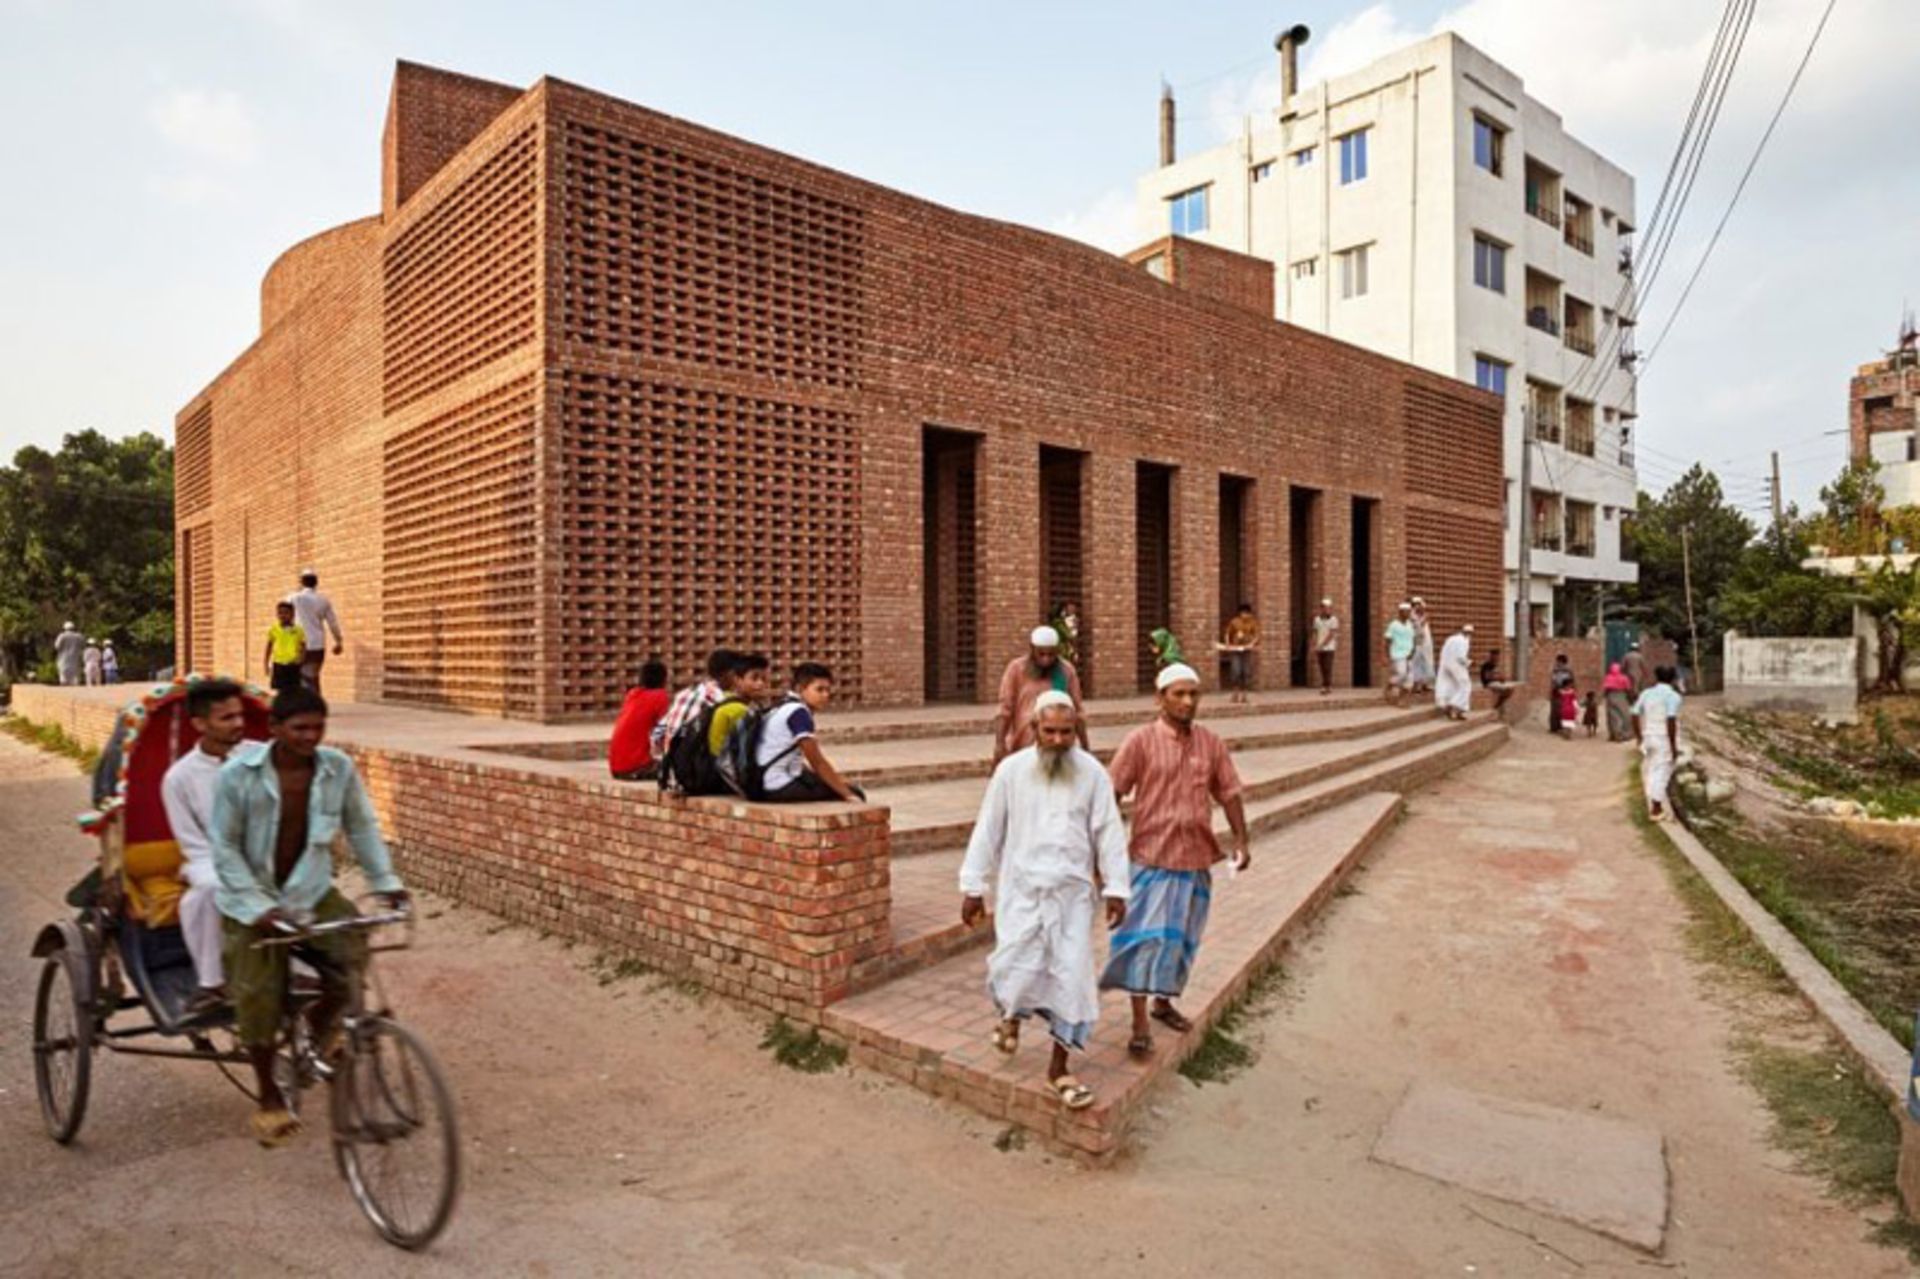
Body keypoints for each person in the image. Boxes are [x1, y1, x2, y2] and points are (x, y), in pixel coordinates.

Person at [212, 686, 408, 1147]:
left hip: (310, 891)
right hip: (252, 901)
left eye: (318, 727)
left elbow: (361, 826)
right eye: (299, 728)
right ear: (275, 729)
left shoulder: (336, 769)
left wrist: (387, 884)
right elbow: (223, 848)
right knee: (259, 996)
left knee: (352, 955)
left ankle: (319, 1038)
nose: (310, 737)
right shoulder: (239, 775)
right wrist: (260, 908)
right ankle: (268, 1098)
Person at [959, 692, 1130, 1111]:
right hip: (1021, 891)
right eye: (1049, 731)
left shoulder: (1092, 773)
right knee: (1015, 964)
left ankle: (1059, 1068)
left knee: (1071, 977)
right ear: (1033, 729)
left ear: (1077, 732)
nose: (1057, 740)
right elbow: (989, 829)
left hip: (1071, 898)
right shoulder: (1011, 771)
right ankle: (1011, 1017)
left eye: (1066, 733)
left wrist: (1117, 887)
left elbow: (1108, 831)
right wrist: (973, 885)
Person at [1100, 663, 1250, 1058]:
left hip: (1196, 861)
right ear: (1160, 698)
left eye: (1193, 694)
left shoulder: (1210, 743)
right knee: (1143, 943)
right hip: (1151, 860)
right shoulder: (1140, 741)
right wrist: (1106, 854)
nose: (1187, 701)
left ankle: (1163, 1003)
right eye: (1178, 693)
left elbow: (1229, 792)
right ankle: (1138, 1023)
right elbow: (1109, 797)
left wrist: (1241, 839)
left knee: (1181, 943)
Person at [160, 679, 251, 1018]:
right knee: (210, 890)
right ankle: (211, 983)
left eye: (239, 716)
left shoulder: (261, 756)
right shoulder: (179, 778)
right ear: (199, 724)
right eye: (226, 718)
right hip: (208, 859)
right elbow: (192, 844)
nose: (238, 724)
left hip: (263, 853)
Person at [758, 662, 865, 802]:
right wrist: (847, 794)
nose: (825, 695)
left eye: (828, 690)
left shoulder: (782, 705)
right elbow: (817, 761)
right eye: (819, 690)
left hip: (762, 781)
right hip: (777, 785)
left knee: (833, 783)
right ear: (800, 688)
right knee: (855, 792)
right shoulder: (799, 713)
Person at [993, 626, 1089, 764]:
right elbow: (1004, 710)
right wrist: (999, 744)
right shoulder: (1016, 669)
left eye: (1051, 654)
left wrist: (1085, 747)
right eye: (1041, 654)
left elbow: (1077, 711)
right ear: (1032, 649)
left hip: (1058, 747)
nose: (1046, 659)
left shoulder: (1065, 671)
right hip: (1023, 746)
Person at [655, 649, 735, 760]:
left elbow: (657, 733)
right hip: (699, 771)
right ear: (730, 674)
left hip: (672, 769)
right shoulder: (722, 699)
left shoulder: (684, 694)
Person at [1632, 666, 1684, 822]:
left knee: (1652, 769)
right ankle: (1656, 809)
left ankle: (1654, 803)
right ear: (1674, 679)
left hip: (1649, 736)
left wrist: (1639, 737)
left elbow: (1634, 713)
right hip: (1663, 738)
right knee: (1662, 772)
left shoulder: (1646, 693)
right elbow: (1671, 720)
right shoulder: (1673, 696)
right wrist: (1673, 746)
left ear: (1656, 677)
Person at [608, 659, 671, 781]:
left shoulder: (632, 694)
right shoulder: (660, 696)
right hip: (635, 767)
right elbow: (664, 732)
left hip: (616, 767)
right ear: (663, 679)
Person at [288, 569, 345, 694]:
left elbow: (285, 617)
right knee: (313, 675)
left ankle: (302, 705)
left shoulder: (294, 598)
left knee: (298, 675)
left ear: (302, 582)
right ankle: (315, 705)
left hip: (298, 643)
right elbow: (333, 623)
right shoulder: (323, 600)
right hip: (317, 643)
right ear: (316, 583)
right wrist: (338, 641)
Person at [707, 651, 770, 758]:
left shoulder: (723, 699)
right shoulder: (739, 710)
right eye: (754, 678)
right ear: (737, 680)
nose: (760, 684)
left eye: (764, 679)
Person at [262, 601, 306, 694]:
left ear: (292, 614)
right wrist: (266, 664)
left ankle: (293, 707)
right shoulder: (274, 629)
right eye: (280, 613)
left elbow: (303, 646)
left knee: (294, 690)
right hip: (279, 664)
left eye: (286, 612)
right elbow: (269, 647)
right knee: (280, 690)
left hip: (293, 664)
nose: (282, 615)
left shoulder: (298, 630)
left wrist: (301, 659)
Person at [1219, 603, 1260, 704]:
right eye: (1244, 613)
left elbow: (1256, 635)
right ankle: (1235, 694)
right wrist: (1228, 643)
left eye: (1247, 614)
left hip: (1246, 649)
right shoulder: (1235, 622)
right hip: (1236, 649)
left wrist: (1251, 643)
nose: (1246, 616)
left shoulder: (1253, 623)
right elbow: (1228, 633)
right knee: (1236, 671)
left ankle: (1244, 695)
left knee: (1246, 672)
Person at [1435, 623, 1475, 721]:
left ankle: (1457, 712)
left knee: (1453, 686)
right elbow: (1460, 657)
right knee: (1466, 686)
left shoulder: (1451, 638)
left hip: (1446, 666)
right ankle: (1454, 706)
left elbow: (1443, 652)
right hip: (1457, 666)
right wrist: (1470, 663)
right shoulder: (1463, 641)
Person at [1383, 603, 1416, 704]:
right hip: (1398, 654)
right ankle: (1390, 684)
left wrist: (1413, 650)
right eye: (1406, 611)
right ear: (1400, 612)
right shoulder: (1393, 625)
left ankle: (1402, 699)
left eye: (1409, 611)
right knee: (1401, 674)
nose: (1408, 614)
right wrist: (1386, 655)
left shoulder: (1410, 625)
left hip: (1409, 654)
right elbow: (1387, 640)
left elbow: (1413, 639)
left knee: (1410, 679)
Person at [1310, 599, 1339, 695]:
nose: (1326, 610)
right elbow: (1315, 632)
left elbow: (1332, 634)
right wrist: (1314, 644)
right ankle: (1325, 685)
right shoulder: (1317, 620)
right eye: (1324, 608)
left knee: (1327, 666)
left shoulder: (1333, 619)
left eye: (1328, 608)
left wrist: (1322, 644)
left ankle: (1327, 686)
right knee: (1322, 666)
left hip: (1329, 647)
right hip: (1319, 647)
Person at [1408, 597, 1436, 692]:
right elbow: (1416, 628)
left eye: (1420, 605)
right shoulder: (1411, 616)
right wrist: (1422, 621)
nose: (1419, 607)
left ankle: (1425, 684)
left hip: (1426, 643)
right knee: (1416, 663)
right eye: (1416, 605)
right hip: (1416, 643)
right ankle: (1416, 685)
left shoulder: (1423, 615)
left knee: (1427, 662)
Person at [1478, 647, 1516, 718]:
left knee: (1509, 690)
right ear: (1492, 656)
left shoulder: (1495, 665)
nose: (1497, 658)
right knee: (1509, 690)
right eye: (1496, 656)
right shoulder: (1487, 665)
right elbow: (1487, 677)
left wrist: (1501, 679)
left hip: (1495, 683)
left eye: (1498, 656)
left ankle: (1499, 706)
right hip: (1489, 684)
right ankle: (1496, 706)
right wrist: (1498, 678)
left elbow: (1497, 676)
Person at [1602, 662, 1635, 742]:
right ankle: (1625, 734)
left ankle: (1614, 734)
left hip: (1611, 696)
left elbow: (1606, 689)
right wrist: (1630, 698)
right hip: (1621, 696)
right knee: (1624, 715)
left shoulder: (1608, 677)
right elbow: (1628, 689)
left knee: (1613, 716)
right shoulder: (1624, 678)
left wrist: (1606, 697)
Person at [1049, 600, 1082, 668]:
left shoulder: (1059, 622)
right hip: (1062, 649)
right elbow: (1068, 635)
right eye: (1063, 610)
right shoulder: (1058, 623)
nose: (1065, 612)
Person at [1547, 654, 1575, 737]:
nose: (1557, 663)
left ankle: (1562, 727)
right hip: (1556, 691)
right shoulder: (1555, 670)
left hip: (1563, 691)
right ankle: (1555, 727)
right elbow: (1552, 681)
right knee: (1554, 710)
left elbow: (1571, 682)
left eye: (1558, 661)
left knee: (1561, 710)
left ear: (1562, 662)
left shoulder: (1568, 671)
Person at [55, 622, 85, 686]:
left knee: (63, 672)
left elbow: (57, 646)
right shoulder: (79, 636)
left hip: (63, 658)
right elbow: (83, 645)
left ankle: (64, 684)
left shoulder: (62, 636)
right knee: (75, 674)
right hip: (75, 657)